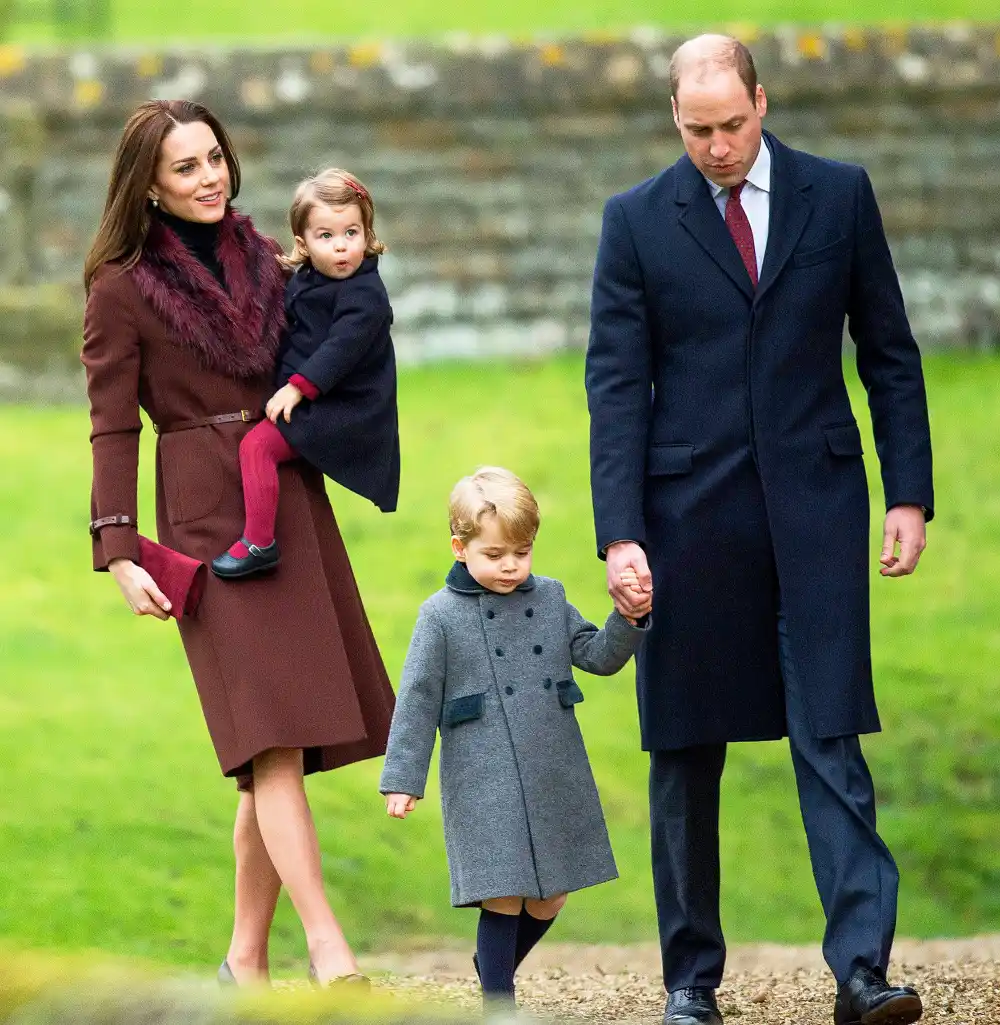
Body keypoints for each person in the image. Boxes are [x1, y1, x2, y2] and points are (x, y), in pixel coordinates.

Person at [586, 35, 933, 1025]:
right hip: (683, 524)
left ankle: (863, 969)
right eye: (697, 129)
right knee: (684, 753)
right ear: (673, 119)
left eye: (732, 124)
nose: (718, 146)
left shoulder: (839, 194)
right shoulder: (635, 222)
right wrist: (620, 532)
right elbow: (615, 391)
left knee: (831, 734)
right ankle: (690, 982)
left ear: (761, 102)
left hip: (818, 514)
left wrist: (906, 491)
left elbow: (890, 354)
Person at [82, 99, 395, 988]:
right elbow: (111, 427)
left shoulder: (269, 257)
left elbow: (345, 328)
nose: (209, 176)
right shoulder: (118, 286)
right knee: (271, 742)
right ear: (148, 184)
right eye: (185, 167)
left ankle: (245, 961)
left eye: (214, 157)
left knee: (276, 750)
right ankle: (330, 949)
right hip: (206, 518)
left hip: (285, 496)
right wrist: (121, 548)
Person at [378, 467, 649, 1011]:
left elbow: (595, 656)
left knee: (551, 897)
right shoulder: (439, 616)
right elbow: (417, 699)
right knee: (501, 893)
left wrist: (628, 618)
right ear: (460, 547)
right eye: (496, 553)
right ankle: (498, 1004)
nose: (510, 566)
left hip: (553, 764)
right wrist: (402, 779)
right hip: (483, 773)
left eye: (521, 552)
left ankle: (492, 967)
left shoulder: (548, 598)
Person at [211, 167, 399, 580]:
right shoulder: (307, 280)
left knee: (257, 447)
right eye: (326, 236)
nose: (341, 247)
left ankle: (259, 542)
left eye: (352, 232)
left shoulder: (365, 294)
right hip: (319, 400)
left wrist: (296, 389)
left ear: (367, 234)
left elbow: (340, 350)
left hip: (346, 410)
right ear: (303, 243)